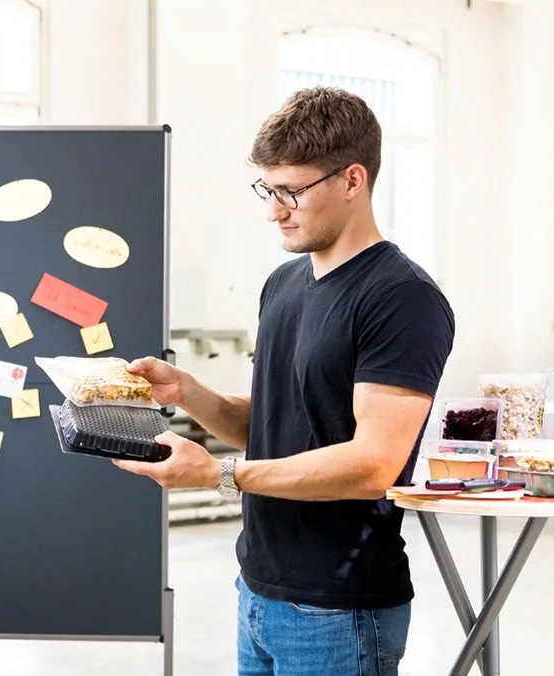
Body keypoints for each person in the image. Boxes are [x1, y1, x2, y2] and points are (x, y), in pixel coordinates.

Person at [113, 87, 455, 675]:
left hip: (339, 608)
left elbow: (373, 465)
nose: (274, 211)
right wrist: (188, 392)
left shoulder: (402, 298)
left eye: (291, 191)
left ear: (352, 180)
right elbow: (274, 425)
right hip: (259, 588)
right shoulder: (284, 284)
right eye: (268, 191)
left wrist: (220, 474)